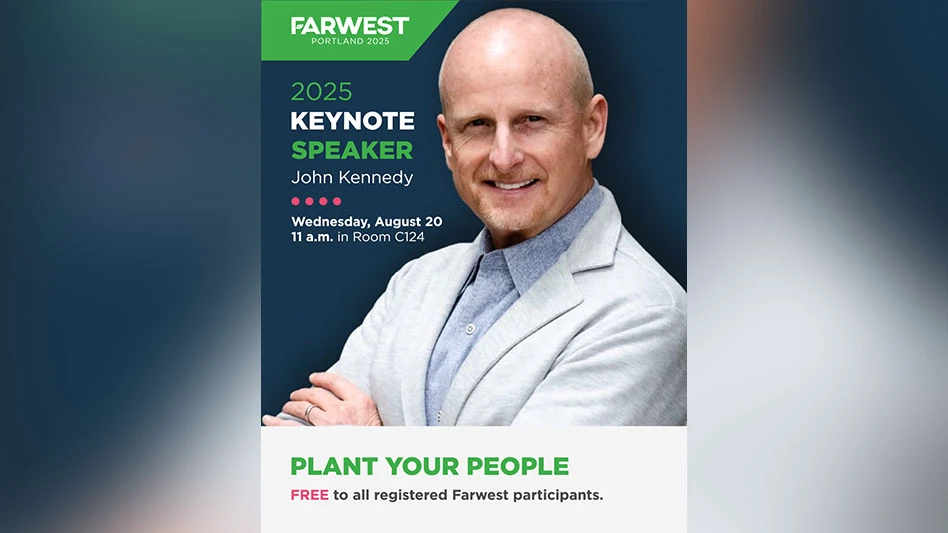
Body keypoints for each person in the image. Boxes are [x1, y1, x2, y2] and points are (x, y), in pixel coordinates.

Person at [262, 7, 686, 427]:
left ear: (592, 127)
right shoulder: (416, 282)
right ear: (448, 142)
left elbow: (536, 493)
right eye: (479, 125)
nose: (503, 157)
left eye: (531, 121)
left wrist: (365, 448)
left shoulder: (645, 314)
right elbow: (294, 442)